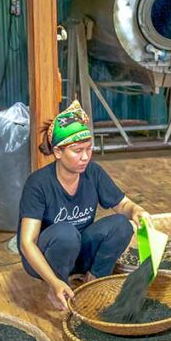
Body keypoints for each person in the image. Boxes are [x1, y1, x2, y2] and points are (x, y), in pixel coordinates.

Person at [18, 100, 152, 310]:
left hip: (79, 250)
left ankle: (94, 279)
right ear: (58, 152)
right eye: (77, 150)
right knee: (66, 234)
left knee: (122, 224)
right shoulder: (38, 184)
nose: (85, 157)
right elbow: (27, 243)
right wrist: (54, 281)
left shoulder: (94, 173)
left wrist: (136, 210)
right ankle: (58, 287)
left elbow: (122, 205)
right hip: (46, 256)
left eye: (89, 149)